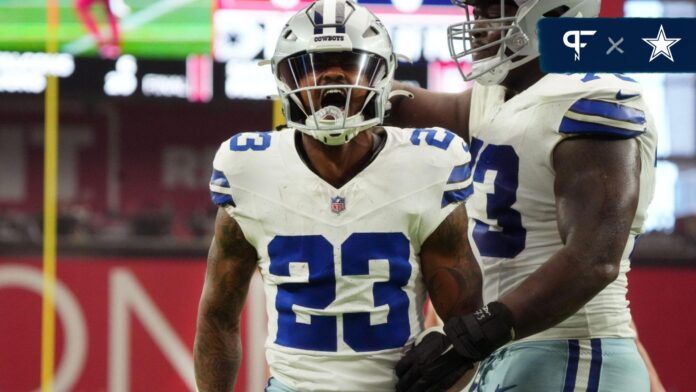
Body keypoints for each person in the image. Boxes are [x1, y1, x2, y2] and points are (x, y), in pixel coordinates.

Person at [193, 1, 483, 390]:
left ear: (383, 74)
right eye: (312, 63)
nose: (332, 75)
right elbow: (218, 318)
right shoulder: (248, 168)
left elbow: (466, 323)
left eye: (350, 62)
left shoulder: (427, 163)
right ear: (285, 79)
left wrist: (449, 363)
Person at [389, 1, 660, 391]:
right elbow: (423, 110)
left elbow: (593, 260)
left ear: (554, 12)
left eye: (492, 10)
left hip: (573, 349)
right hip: (512, 345)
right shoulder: (503, 91)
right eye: (477, 11)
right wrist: (355, 81)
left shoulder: (590, 97)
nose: (478, 25)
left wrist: (473, 336)